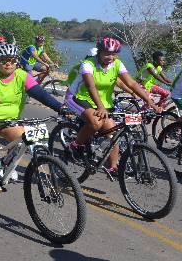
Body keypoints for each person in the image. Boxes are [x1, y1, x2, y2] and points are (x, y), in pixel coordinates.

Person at [0, 42, 67, 192]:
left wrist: (60, 108)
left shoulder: (22, 76)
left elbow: (41, 94)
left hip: (5, 119)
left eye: (12, 61)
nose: (8, 64)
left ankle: (3, 164)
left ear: (17, 61)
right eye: (3, 61)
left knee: (25, 139)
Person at [64, 37, 161, 174]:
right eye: (106, 53)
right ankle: (75, 145)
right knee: (96, 123)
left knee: (112, 132)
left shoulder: (117, 64)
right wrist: (101, 107)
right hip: (78, 97)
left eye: (114, 54)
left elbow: (132, 83)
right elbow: (91, 87)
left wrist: (149, 101)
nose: (110, 57)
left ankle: (113, 167)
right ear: (99, 52)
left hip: (102, 102)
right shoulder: (88, 64)